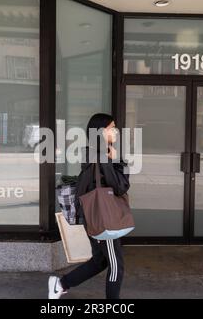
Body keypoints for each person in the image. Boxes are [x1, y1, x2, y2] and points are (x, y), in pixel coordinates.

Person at [48, 113, 130, 299]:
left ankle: (60, 284)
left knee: (100, 261)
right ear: (101, 132)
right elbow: (121, 186)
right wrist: (116, 160)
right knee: (116, 264)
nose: (116, 131)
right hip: (103, 219)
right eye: (112, 127)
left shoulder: (96, 153)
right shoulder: (100, 157)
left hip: (96, 217)